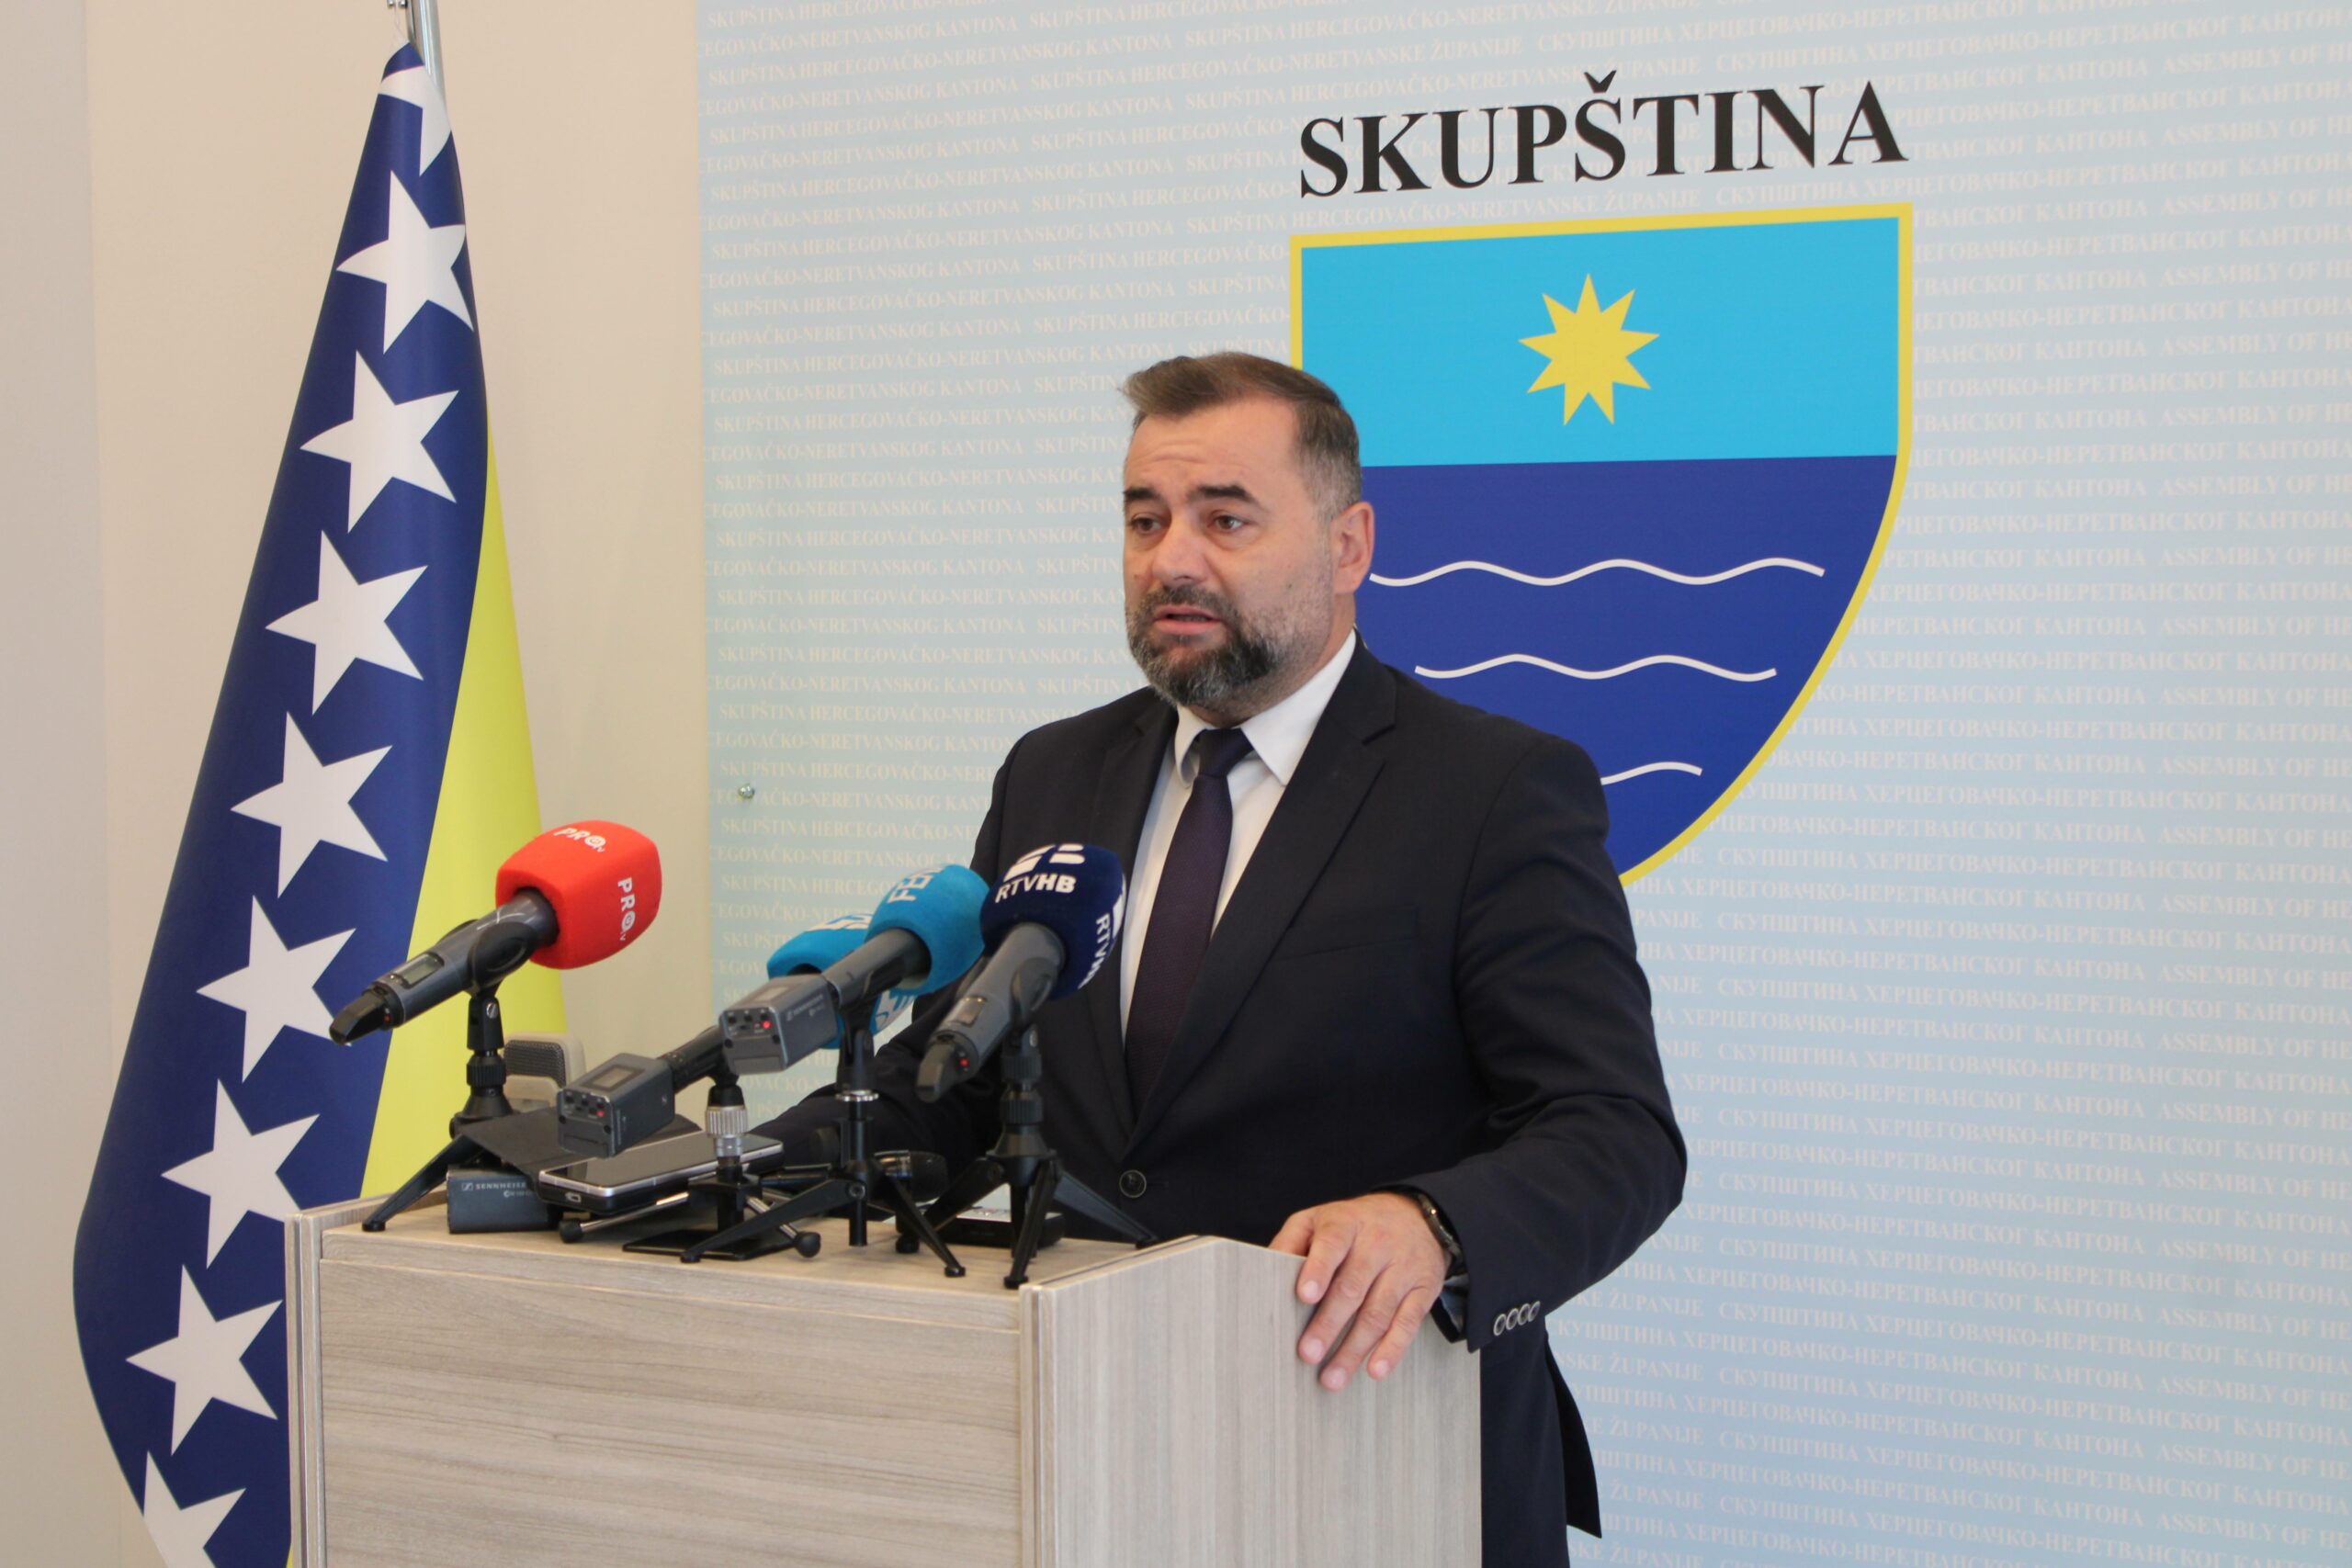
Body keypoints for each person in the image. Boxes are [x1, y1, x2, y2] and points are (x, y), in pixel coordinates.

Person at [761, 352, 1684, 1565]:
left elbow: (1613, 1132)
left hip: (1379, 1454)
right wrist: (738, 1170)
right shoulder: (1052, 772)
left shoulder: (1492, 790)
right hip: (1083, 1448)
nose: (1172, 560)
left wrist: (1433, 1225)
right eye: (1144, 520)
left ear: (1348, 547)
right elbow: (962, 1080)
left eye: (1225, 519)